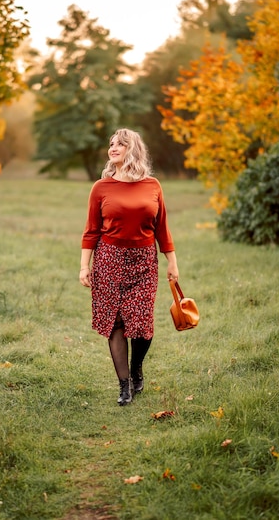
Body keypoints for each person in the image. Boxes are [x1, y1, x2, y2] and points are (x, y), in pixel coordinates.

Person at [79, 128, 179, 406]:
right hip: (109, 259)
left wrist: (172, 261)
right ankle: (125, 385)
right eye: (111, 144)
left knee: (142, 323)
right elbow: (91, 230)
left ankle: (137, 368)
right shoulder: (101, 187)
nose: (113, 148)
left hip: (144, 260)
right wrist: (84, 266)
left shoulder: (152, 186)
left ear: (132, 149)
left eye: (120, 144)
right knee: (117, 323)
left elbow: (162, 227)